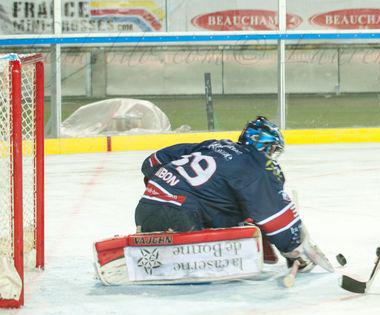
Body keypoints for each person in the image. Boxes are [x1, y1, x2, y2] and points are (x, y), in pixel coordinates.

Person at [135, 116, 332, 273]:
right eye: (272, 149)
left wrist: (165, 190)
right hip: (183, 217)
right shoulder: (258, 164)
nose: (272, 155)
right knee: (237, 223)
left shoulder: (214, 145)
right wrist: (294, 249)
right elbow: (272, 215)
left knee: (231, 212)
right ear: (265, 145)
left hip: (145, 207)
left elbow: (152, 162)